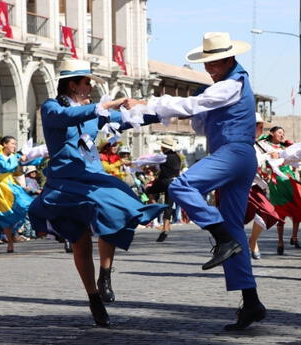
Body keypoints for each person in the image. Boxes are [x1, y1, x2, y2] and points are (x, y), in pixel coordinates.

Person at [126, 32, 266, 330]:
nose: (208, 68)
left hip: (233, 154)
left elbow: (192, 106)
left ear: (229, 59)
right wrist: (150, 109)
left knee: (180, 186)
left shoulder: (231, 84)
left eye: (213, 63)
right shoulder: (227, 86)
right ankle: (251, 301)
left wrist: (148, 104)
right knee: (234, 228)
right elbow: (198, 117)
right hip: (238, 156)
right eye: (207, 63)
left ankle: (222, 238)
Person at [28, 59, 167, 327]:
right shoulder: (51, 107)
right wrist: (105, 105)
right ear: (73, 84)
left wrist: (162, 111)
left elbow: (124, 120)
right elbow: (66, 118)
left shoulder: (93, 112)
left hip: (92, 175)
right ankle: (93, 298)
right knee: (79, 240)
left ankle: (105, 273)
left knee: (117, 210)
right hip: (65, 180)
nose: (90, 86)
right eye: (87, 82)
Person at [0, 136, 42, 253]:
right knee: (5, 216)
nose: (14, 146)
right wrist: (18, 157)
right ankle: (10, 243)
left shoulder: (13, 157)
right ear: (4, 144)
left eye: (15, 144)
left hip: (12, 187)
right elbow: (7, 167)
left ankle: (38, 229)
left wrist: (41, 156)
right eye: (12, 143)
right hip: (1, 189)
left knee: (27, 205)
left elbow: (24, 163)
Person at [258, 126, 301, 254]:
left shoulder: (285, 147)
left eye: (283, 133)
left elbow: (294, 161)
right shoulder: (264, 145)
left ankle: (294, 236)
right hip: (276, 180)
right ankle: (280, 241)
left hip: (289, 178)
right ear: (271, 133)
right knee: (280, 211)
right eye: (279, 132)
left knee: (298, 206)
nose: (282, 135)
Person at [245, 114, 283, 259]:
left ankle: (252, 240)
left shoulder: (260, 144)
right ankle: (232, 245)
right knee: (234, 218)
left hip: (256, 186)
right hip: (238, 185)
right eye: (258, 126)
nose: (261, 129)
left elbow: (276, 154)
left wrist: (276, 156)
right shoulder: (238, 143)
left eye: (261, 127)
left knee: (267, 212)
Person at [144, 136, 181, 242]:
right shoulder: (177, 157)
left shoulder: (164, 157)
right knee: (169, 205)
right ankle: (165, 228)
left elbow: (151, 162)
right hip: (175, 182)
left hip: (164, 181)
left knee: (149, 191)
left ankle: (156, 206)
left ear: (164, 147)